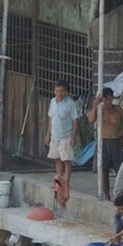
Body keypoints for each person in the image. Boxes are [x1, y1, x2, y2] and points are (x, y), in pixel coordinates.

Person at [88, 87, 123, 200]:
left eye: (110, 99)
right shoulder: (99, 109)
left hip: (116, 141)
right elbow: (91, 119)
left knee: (120, 169)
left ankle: (122, 193)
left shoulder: (117, 110)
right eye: (106, 100)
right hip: (103, 141)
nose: (108, 102)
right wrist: (95, 105)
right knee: (104, 170)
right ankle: (107, 195)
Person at [45, 79, 78, 208]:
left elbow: (75, 121)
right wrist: (48, 134)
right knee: (57, 160)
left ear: (66, 92)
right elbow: (51, 119)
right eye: (57, 91)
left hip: (66, 137)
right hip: (55, 137)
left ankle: (66, 183)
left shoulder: (70, 103)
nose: (60, 93)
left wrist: (73, 137)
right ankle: (59, 181)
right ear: (54, 91)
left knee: (67, 160)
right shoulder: (52, 102)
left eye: (62, 91)